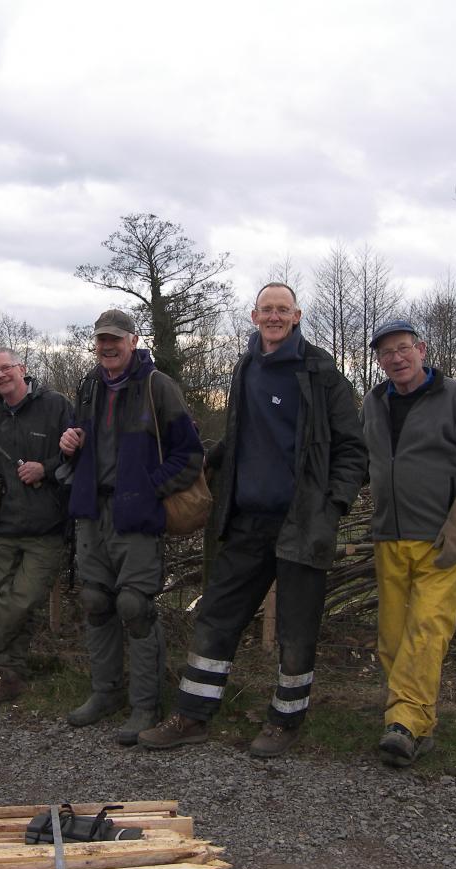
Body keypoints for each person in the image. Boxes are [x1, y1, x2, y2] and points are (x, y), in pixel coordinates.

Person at [138, 283, 367, 757]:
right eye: (267, 310)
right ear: (253, 316)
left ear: (297, 316)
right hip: (246, 521)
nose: (275, 317)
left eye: (283, 310)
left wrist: (333, 506)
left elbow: (352, 449)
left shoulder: (321, 372)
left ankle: (286, 721)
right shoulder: (245, 368)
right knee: (217, 615)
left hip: (303, 522)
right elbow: (244, 433)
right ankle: (193, 715)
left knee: (296, 629)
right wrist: (209, 460)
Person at [59, 309, 204, 745]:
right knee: (95, 600)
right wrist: (69, 446)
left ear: (134, 340)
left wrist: (148, 488)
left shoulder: (159, 387)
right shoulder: (88, 386)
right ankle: (104, 693)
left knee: (134, 607)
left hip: (136, 516)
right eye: (102, 339)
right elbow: (82, 443)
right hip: (93, 511)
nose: (108, 346)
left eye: (116, 339)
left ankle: (145, 706)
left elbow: (190, 454)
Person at [362, 319, 456, 767]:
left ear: (421, 349)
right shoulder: (374, 403)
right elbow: (364, 463)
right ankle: (420, 725)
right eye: (386, 353)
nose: (396, 358)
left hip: (440, 537)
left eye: (403, 349)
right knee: (392, 637)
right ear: (379, 361)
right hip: (389, 536)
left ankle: (402, 724)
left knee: (426, 631)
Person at [0, 348, 73, 709]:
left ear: (22, 369)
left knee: (22, 599)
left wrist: (46, 469)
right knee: (4, 602)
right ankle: (9, 676)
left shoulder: (56, 406)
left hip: (47, 525)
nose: (0, 375)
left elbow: (78, 457)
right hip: (5, 526)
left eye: (6, 368)